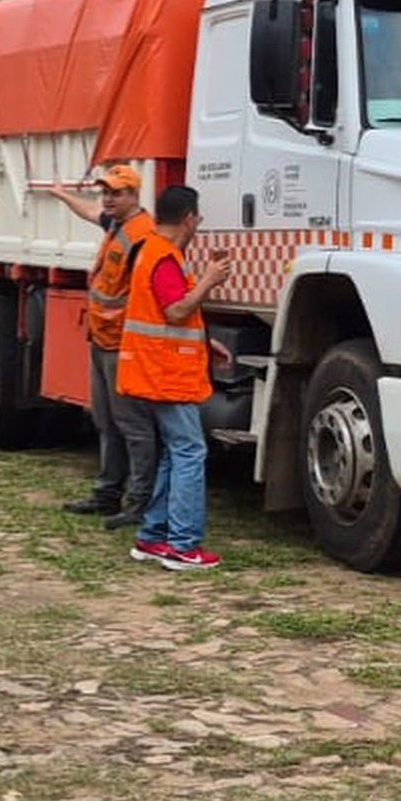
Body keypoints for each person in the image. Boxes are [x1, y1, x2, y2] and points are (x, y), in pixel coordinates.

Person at [119, 185, 231, 572]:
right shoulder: (164, 257)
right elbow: (177, 310)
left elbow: (167, 317)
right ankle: (183, 545)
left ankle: (153, 537)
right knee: (189, 452)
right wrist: (210, 280)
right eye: (197, 218)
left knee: (174, 453)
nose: (198, 224)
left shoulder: (152, 251)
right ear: (188, 218)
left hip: (156, 369)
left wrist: (205, 342)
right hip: (166, 374)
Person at [49, 164, 159, 530]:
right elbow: (90, 211)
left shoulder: (143, 235)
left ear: (134, 195)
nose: (108, 199)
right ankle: (108, 493)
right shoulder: (117, 225)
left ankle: (138, 503)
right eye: (105, 192)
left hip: (123, 344)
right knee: (107, 421)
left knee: (132, 425)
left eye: (116, 193)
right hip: (102, 339)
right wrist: (64, 195)